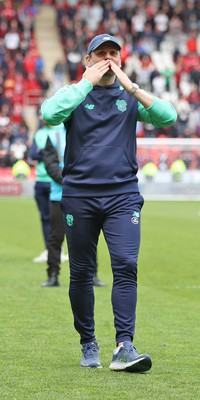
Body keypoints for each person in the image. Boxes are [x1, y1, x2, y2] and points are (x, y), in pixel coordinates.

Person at [41, 33, 177, 372]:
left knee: (126, 266)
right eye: (100, 54)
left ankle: (124, 346)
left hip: (122, 196)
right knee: (82, 273)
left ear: (121, 60)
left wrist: (131, 86)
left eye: (113, 54)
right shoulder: (74, 96)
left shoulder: (128, 97)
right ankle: (88, 342)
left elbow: (168, 116)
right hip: (79, 197)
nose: (108, 59)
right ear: (87, 60)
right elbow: (48, 114)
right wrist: (85, 84)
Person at [42, 122, 105, 288]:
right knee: (56, 237)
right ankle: (53, 275)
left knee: (89, 236)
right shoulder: (55, 136)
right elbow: (50, 163)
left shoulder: (88, 131)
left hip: (84, 195)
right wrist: (68, 182)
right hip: (59, 195)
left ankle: (93, 275)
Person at [28, 122, 52, 263]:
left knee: (57, 219)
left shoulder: (61, 131)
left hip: (55, 180)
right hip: (41, 180)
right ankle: (49, 249)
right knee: (45, 217)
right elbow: (32, 155)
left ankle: (58, 250)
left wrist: (41, 152)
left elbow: (58, 154)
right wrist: (45, 153)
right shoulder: (39, 133)